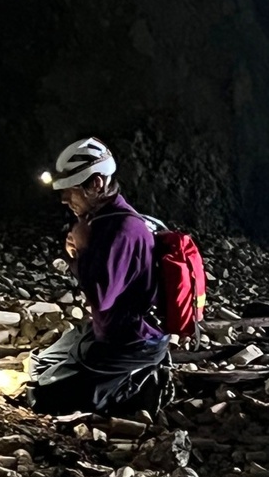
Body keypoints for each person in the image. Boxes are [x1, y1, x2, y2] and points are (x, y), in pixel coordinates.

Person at [34, 138, 170, 415]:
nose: (64, 199)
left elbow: (101, 297)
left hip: (133, 343)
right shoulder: (104, 220)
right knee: (41, 363)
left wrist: (81, 253)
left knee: (45, 397)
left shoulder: (123, 230)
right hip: (111, 333)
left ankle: (143, 384)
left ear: (95, 184)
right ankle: (109, 374)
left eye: (71, 190)